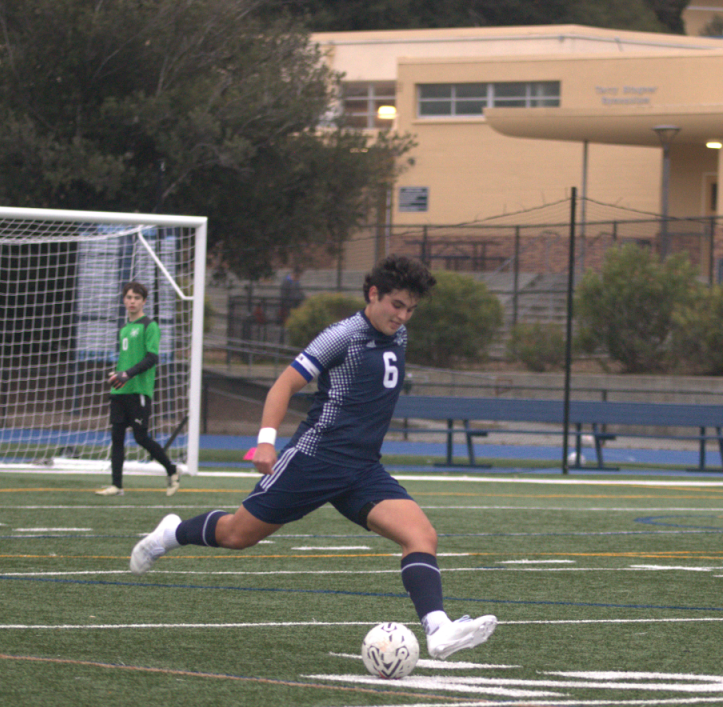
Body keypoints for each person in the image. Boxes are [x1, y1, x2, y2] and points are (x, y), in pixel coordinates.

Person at [128, 256, 497, 660]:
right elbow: (284, 384)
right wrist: (266, 442)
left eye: (411, 309)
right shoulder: (343, 335)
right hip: (314, 459)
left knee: (422, 536)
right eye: (396, 305)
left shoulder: (399, 335)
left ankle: (438, 629)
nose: (403, 316)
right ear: (373, 294)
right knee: (237, 535)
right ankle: (171, 533)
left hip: (362, 468)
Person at [96, 281, 180, 497]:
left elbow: (152, 357)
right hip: (119, 391)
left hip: (139, 391)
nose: (132, 301)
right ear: (124, 299)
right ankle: (117, 486)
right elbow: (126, 359)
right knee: (116, 437)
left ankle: (171, 470)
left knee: (141, 438)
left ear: (143, 301)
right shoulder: (124, 329)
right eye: (129, 297)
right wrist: (117, 374)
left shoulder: (149, 326)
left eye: (136, 298)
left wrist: (128, 374)